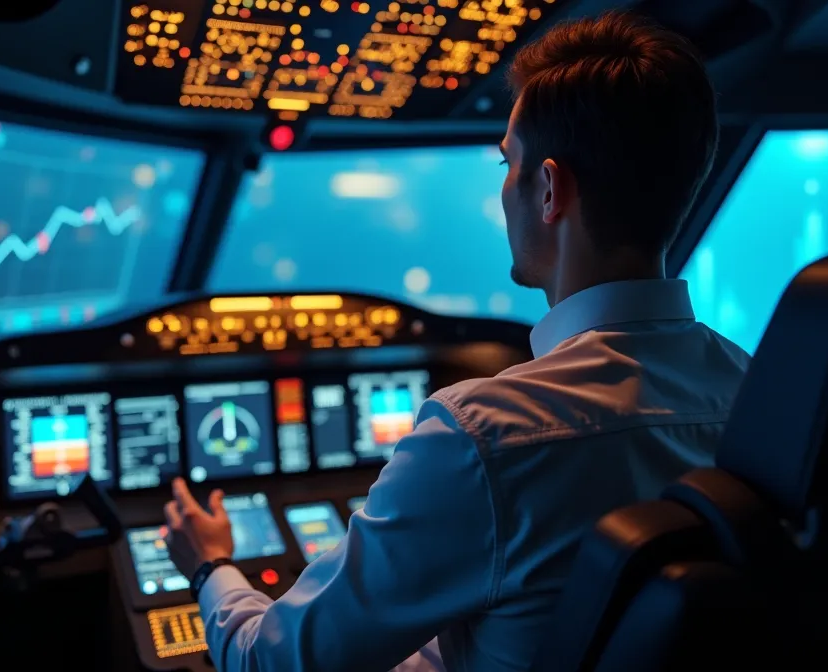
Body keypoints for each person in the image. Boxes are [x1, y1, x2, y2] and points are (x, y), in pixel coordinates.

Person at [162, 10, 751, 671]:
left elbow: (276, 662)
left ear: (549, 189)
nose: (506, 189)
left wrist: (210, 563)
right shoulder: (757, 396)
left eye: (510, 163)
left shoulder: (485, 436)